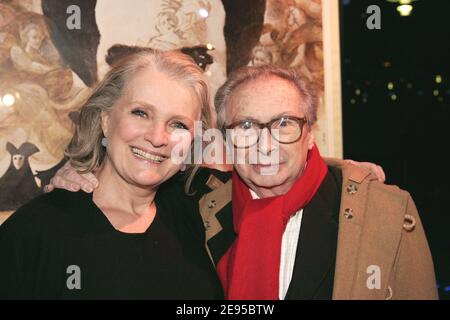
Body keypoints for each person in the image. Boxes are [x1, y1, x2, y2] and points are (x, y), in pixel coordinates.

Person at [0, 49, 223, 299]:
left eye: (178, 125)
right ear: (106, 119)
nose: (157, 138)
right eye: (140, 113)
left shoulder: (199, 212)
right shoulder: (36, 231)